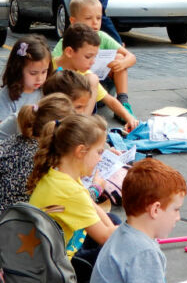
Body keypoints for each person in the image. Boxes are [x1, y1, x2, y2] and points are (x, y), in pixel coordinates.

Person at [27, 114, 119, 269]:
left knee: (113, 220)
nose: (100, 159)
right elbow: (105, 237)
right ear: (81, 151)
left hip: (48, 249)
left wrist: (112, 228)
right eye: (99, 152)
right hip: (58, 266)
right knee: (117, 245)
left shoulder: (59, 173)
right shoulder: (70, 192)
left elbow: (91, 205)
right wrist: (136, 231)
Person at [52, 0, 137, 117]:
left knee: (119, 57)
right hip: (76, 87)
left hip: (103, 84)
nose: (95, 23)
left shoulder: (102, 36)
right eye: (88, 18)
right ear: (73, 21)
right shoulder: (66, 44)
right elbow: (55, 67)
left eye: (98, 18)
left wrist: (121, 64)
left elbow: (131, 57)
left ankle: (123, 101)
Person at [53, 24, 138, 132]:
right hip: (50, 122)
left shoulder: (84, 73)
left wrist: (129, 118)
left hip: (73, 125)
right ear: (69, 52)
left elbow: (109, 99)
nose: (93, 62)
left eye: (95, 57)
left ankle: (83, 125)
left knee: (93, 79)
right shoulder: (47, 67)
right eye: (88, 57)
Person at [0, 94, 74, 215]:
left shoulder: (18, 139)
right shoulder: (43, 158)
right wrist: (95, 190)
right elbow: (67, 197)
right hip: (11, 222)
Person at [0, 70, 93, 141]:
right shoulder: (28, 120)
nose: (83, 113)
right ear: (56, 101)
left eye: (85, 107)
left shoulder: (68, 125)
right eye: (78, 107)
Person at [0, 36, 53, 122]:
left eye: (44, 72)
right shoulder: (6, 97)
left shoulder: (45, 91)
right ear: (18, 69)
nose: (39, 78)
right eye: (33, 73)